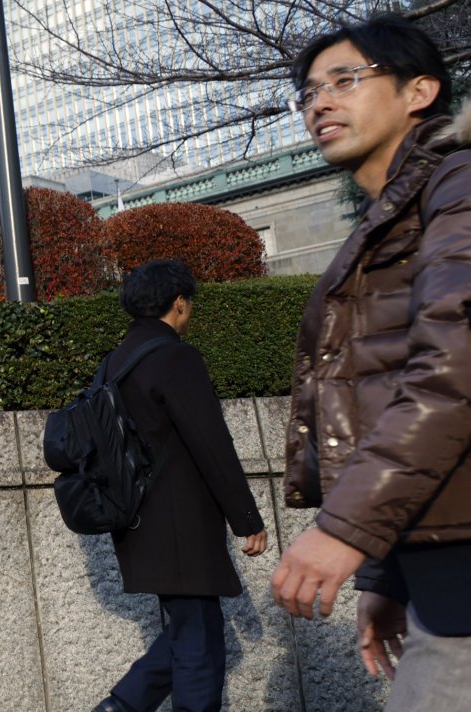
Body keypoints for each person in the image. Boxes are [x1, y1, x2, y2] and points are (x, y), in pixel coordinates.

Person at [270, 13, 471, 711]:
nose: (320, 103)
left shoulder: (466, 180)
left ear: (419, 90)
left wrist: (344, 532)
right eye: (308, 92)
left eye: (345, 80)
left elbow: (457, 368)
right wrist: (388, 577)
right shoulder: (393, 215)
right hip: (445, 561)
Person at [92, 260, 269, 712]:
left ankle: (121, 706)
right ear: (178, 304)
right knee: (197, 640)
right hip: (180, 522)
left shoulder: (113, 364)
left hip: (135, 521)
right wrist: (247, 519)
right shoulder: (175, 357)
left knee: (200, 629)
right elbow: (211, 443)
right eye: (189, 304)